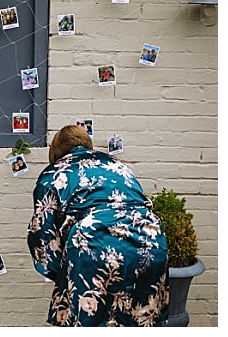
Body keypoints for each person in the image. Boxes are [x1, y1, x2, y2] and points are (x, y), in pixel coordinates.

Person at [27, 125, 169, 326]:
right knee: (141, 319)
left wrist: (59, 272)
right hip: (150, 241)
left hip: (93, 243)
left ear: (57, 150)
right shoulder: (118, 166)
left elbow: (42, 235)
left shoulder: (53, 174)